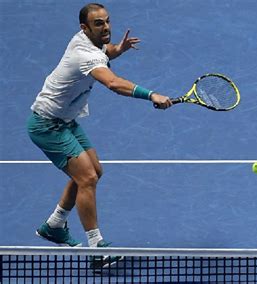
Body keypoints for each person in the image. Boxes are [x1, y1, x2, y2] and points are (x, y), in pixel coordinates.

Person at [27, 3, 172, 266]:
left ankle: (55, 225)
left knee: (93, 172)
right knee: (88, 177)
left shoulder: (90, 43)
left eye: (107, 21)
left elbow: (106, 54)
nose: (106, 27)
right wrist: (152, 94)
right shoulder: (84, 54)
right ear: (84, 27)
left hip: (66, 120)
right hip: (47, 125)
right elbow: (113, 83)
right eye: (98, 24)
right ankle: (96, 248)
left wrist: (120, 49)